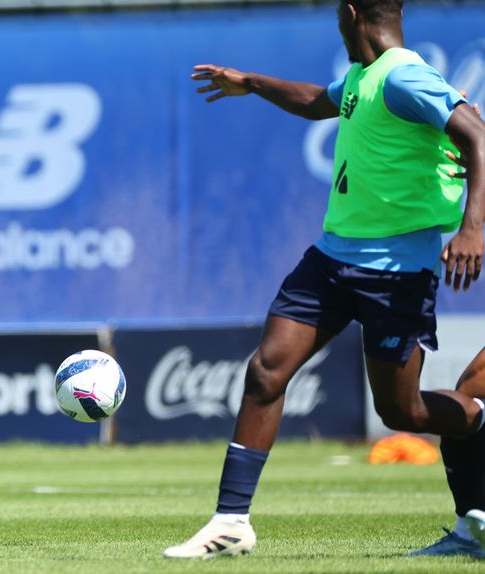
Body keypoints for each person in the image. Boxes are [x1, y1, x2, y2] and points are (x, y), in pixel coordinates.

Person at [164, 0, 485, 559]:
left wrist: (472, 229)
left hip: (397, 271)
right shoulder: (366, 76)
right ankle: (232, 520)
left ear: (352, 13)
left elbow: (479, 137)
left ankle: (480, 418)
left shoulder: (406, 76)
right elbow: (320, 101)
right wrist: (252, 82)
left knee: (401, 414)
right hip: (332, 257)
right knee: (266, 370)